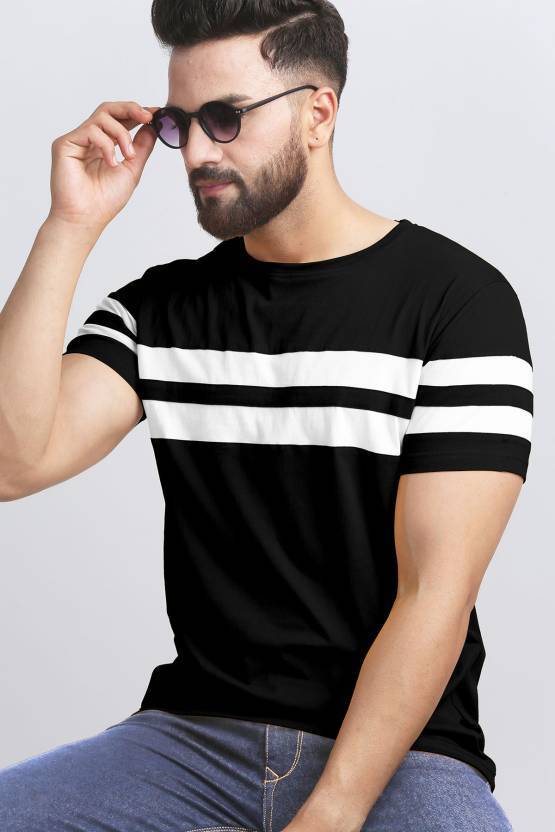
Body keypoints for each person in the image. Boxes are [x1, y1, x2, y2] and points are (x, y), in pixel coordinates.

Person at [0, 2, 530, 830]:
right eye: (179, 124)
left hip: (401, 754)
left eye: (225, 117)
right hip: (188, 743)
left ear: (318, 113)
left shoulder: (458, 306)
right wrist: (70, 225)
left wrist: (333, 809)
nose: (196, 152)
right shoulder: (159, 312)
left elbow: (435, 592)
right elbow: (12, 462)